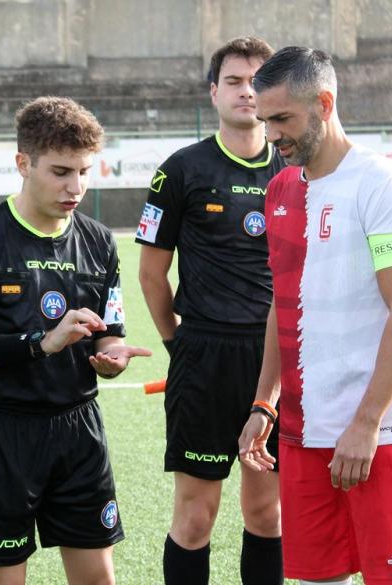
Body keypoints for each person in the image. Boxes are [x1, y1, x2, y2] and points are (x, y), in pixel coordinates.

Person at [0, 96, 151, 585]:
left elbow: (107, 334)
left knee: (98, 579)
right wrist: (41, 343)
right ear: (22, 163)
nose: (75, 186)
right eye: (60, 171)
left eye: (84, 171)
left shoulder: (99, 241)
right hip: (1, 431)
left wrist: (109, 355)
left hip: (79, 429)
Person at [239, 46, 392, 585]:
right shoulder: (278, 189)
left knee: (390, 578)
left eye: (282, 119)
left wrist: (367, 423)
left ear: (324, 103)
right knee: (318, 578)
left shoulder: (380, 182)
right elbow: (284, 304)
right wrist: (264, 404)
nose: (271, 135)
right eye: (264, 120)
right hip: (304, 432)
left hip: (382, 430)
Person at [136, 36, 285, 585]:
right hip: (203, 356)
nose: (248, 92)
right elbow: (152, 274)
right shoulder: (180, 170)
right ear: (213, 92)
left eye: (258, 81)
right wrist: (180, 344)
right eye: (235, 81)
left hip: (277, 362)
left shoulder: (295, 170)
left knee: (267, 514)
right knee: (196, 518)